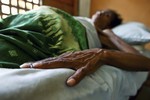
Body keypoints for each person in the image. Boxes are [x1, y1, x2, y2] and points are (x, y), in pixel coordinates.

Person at [0, 6, 150, 87]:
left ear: (109, 23)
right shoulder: (80, 18)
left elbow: (144, 61)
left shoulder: (105, 34)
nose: (100, 12)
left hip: (51, 36)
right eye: (101, 10)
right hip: (26, 20)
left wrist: (104, 51)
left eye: (107, 14)